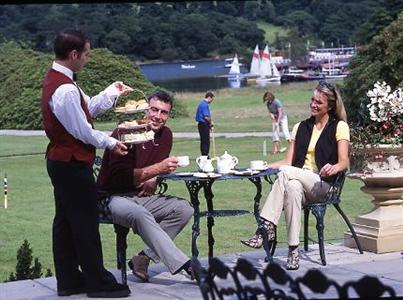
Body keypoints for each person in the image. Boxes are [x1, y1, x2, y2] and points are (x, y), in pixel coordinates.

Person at [41, 29, 132, 298]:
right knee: (84, 222)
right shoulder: (66, 89)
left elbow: (86, 110)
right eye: (86, 54)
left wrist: (111, 92)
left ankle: (69, 280)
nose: (87, 59)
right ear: (73, 54)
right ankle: (97, 282)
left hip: (61, 162)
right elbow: (82, 131)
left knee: (67, 222)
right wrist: (112, 143)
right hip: (70, 163)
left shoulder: (60, 81)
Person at [241, 81, 349, 270]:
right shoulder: (300, 127)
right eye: (312, 100)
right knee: (292, 187)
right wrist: (264, 167)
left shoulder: (339, 126)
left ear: (330, 106)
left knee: (285, 174)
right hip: (299, 181)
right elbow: (287, 161)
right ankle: (293, 251)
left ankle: (265, 227)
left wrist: (335, 167)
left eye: (319, 102)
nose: (313, 104)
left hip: (323, 184)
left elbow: (344, 161)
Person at [96, 90, 194, 282]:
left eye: (164, 112)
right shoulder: (124, 133)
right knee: (139, 213)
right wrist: (156, 170)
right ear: (145, 110)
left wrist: (155, 176)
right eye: (154, 110)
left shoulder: (165, 135)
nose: (158, 116)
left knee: (184, 209)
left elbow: (152, 170)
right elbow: (120, 179)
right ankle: (186, 265)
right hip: (110, 198)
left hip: (140, 196)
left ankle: (143, 258)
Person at [195, 91, 215, 156]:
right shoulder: (204, 105)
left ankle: (205, 154)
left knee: (204, 140)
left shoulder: (202, 104)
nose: (212, 101)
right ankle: (205, 155)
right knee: (205, 140)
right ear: (209, 97)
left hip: (202, 124)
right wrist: (211, 122)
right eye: (212, 99)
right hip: (203, 124)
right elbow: (206, 117)